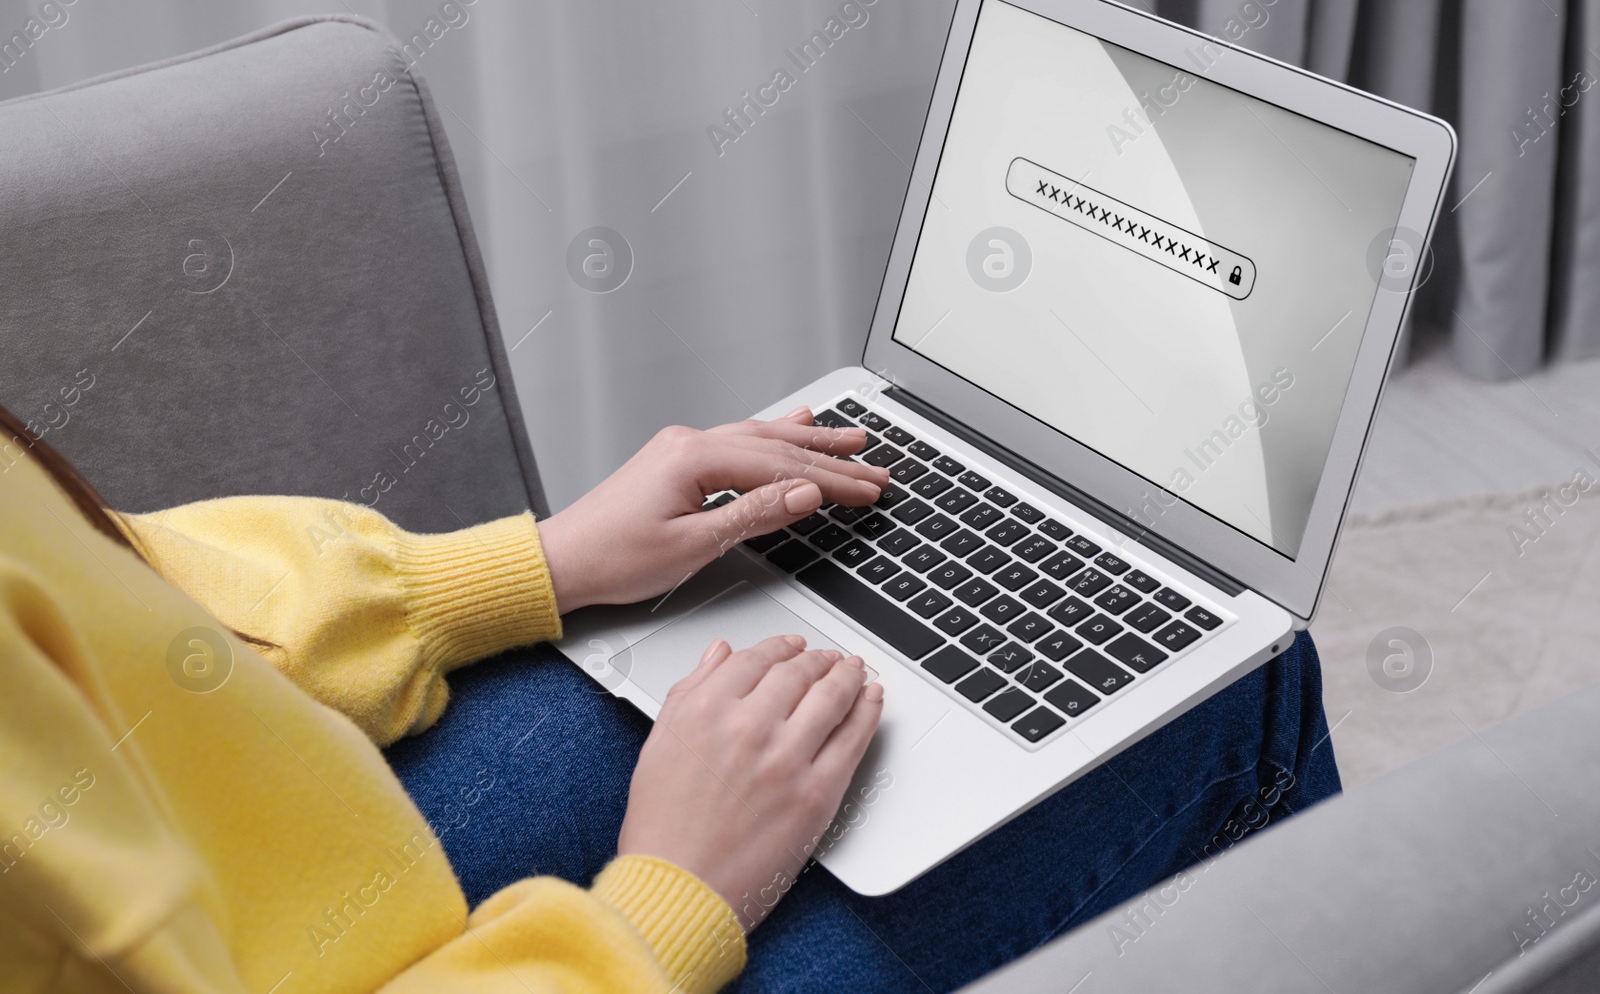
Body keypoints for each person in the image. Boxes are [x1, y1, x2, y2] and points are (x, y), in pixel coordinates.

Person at [0, 402, 1338, 993]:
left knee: (757, 656)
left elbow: (113, 582)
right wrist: (663, 907)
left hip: (260, 887)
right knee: (1240, 692)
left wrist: (518, 570)